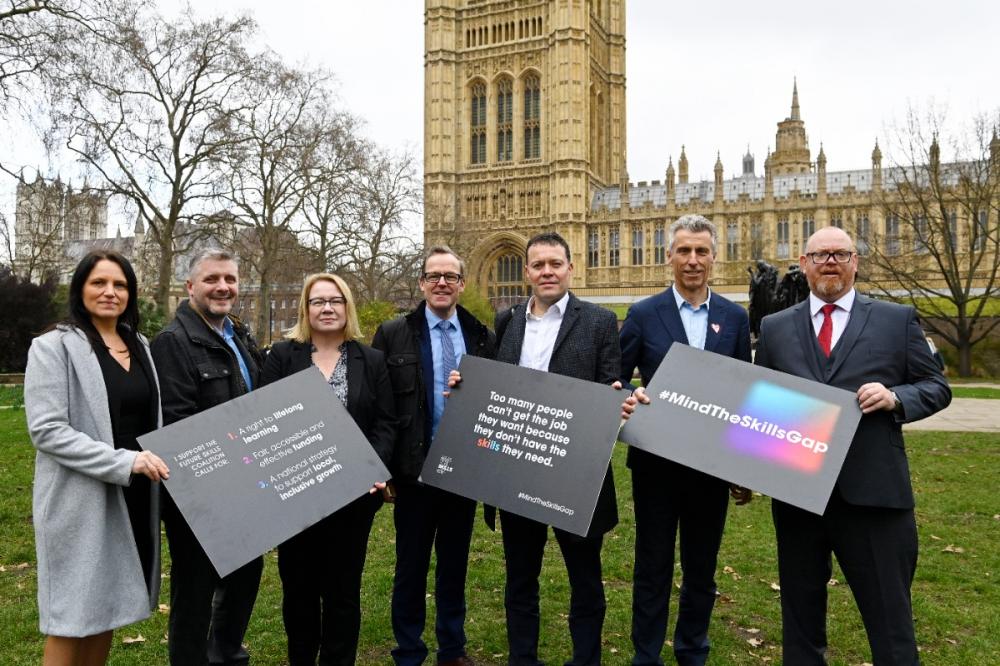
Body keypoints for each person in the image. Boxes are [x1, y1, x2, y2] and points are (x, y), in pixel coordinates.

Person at [754, 227, 951, 665]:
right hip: (799, 496)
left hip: (874, 495)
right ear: (803, 264)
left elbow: (936, 386)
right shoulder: (775, 327)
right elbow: (761, 404)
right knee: (801, 624)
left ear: (855, 262)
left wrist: (897, 397)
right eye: (819, 255)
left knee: (890, 622)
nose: (829, 262)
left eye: (840, 254)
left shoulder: (894, 320)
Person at [476, 231, 622, 665]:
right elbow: (492, 387)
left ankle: (585, 659)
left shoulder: (598, 321)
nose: (547, 272)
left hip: (574, 474)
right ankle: (524, 658)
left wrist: (614, 396)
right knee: (520, 579)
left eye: (555, 264)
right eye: (538, 265)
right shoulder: (506, 322)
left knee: (586, 580)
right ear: (527, 272)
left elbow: (610, 382)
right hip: (518, 472)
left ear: (569, 268)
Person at [24, 249, 170, 666]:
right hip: (80, 497)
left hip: (135, 496)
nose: (110, 292)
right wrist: (126, 462)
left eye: (120, 284)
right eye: (99, 283)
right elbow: (47, 431)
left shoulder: (139, 344)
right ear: (80, 288)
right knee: (71, 617)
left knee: (106, 608)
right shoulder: (53, 347)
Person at [618, 215, 752, 666]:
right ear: (669, 256)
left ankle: (693, 650)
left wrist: (742, 468)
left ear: (714, 257)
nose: (692, 260)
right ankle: (647, 654)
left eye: (701, 251)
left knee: (701, 568)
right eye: (683, 251)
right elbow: (614, 382)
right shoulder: (642, 314)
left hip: (710, 468)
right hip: (656, 465)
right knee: (652, 566)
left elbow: (743, 396)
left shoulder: (734, 318)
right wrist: (628, 396)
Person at [260, 273, 395, 665]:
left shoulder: (370, 360)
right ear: (306, 309)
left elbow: (386, 423)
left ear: (347, 307)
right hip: (296, 497)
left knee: (343, 592)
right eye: (318, 301)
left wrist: (374, 468)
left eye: (335, 300)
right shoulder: (281, 357)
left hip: (352, 497)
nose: (327, 308)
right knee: (298, 591)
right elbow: (264, 420)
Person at [371, 245, 496, 666]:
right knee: (410, 566)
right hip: (414, 470)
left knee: (454, 567)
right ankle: (409, 650)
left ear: (462, 284)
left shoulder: (481, 335)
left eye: (451, 277)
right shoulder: (393, 333)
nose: (442, 283)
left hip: (462, 469)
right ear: (422, 283)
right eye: (434, 276)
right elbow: (381, 407)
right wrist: (382, 468)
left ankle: (452, 648)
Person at [151, 249, 264, 666]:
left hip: (248, 488)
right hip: (200, 496)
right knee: (195, 596)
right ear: (190, 287)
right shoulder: (173, 343)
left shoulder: (239, 335)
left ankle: (227, 655)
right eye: (212, 279)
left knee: (244, 581)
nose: (223, 287)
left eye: (230, 280)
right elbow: (179, 427)